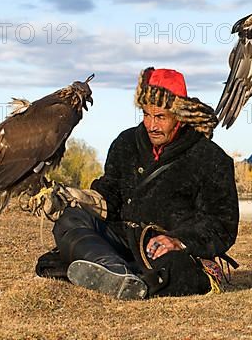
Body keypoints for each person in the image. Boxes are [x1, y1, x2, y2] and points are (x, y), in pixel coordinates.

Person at [36, 67, 239, 300]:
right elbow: (109, 194)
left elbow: (222, 225)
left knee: (177, 269)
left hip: (164, 249)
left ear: (180, 118)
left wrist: (179, 241)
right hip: (122, 238)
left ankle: (119, 274)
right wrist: (77, 199)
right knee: (70, 220)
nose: (151, 125)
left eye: (160, 117)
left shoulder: (211, 158)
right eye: (146, 114)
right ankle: (115, 271)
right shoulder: (125, 142)